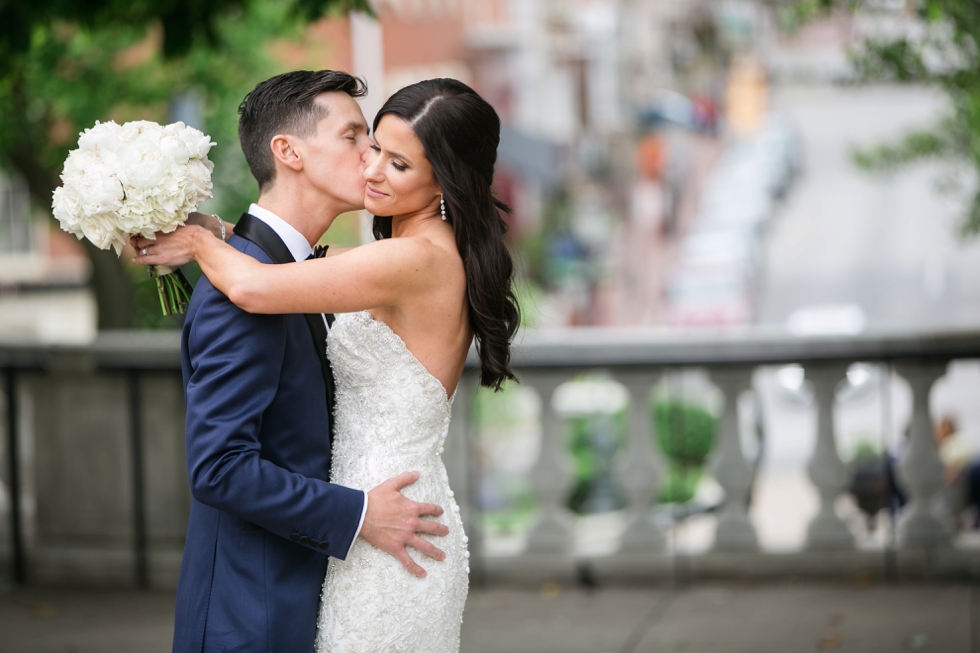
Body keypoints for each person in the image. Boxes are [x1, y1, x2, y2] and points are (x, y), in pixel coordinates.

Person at [135, 78, 520, 652]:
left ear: (444, 178)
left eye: (395, 162)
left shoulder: (415, 259)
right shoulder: (408, 255)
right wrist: (219, 231)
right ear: (289, 152)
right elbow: (307, 262)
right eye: (365, 142)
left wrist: (196, 242)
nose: (371, 165)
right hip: (366, 532)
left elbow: (255, 283)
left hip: (388, 532)